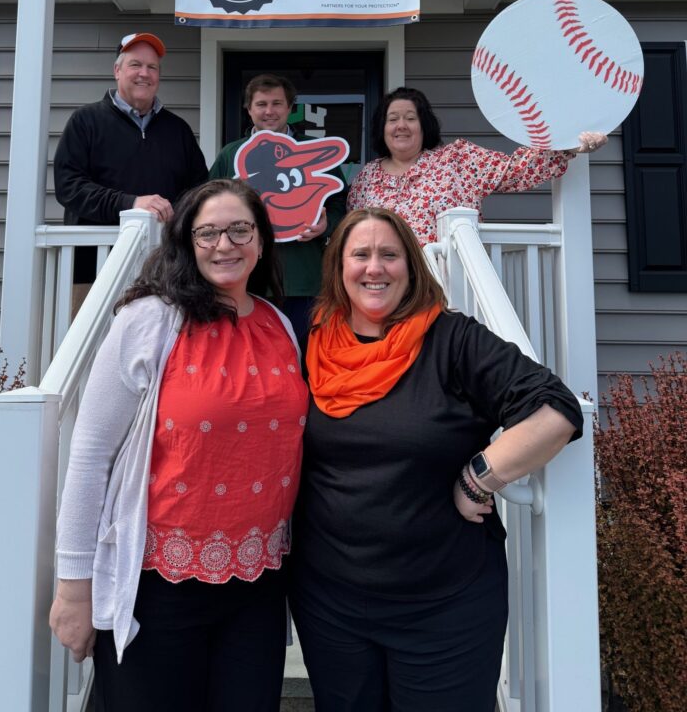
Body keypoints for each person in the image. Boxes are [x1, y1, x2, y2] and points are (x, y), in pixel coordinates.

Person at [289, 207, 583, 712]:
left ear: (412, 265)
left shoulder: (453, 339)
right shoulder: (308, 337)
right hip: (330, 604)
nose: (374, 268)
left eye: (390, 254)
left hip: (445, 605)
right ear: (338, 267)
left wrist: (479, 478)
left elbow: (555, 410)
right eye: (360, 254)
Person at [49, 179, 308, 712]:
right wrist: (74, 586)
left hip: (258, 583)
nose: (225, 244)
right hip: (157, 585)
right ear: (188, 243)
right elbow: (91, 454)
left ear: (261, 242)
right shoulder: (149, 321)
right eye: (208, 232)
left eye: (240, 230)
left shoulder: (279, 324)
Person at [347, 86, 607, 244]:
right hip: (382, 292)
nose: (401, 125)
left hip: (445, 292)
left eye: (410, 118)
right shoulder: (366, 179)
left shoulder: (456, 160)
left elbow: (515, 170)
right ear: (382, 128)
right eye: (393, 119)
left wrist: (569, 144)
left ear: (424, 125)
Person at [53, 31, 208, 293]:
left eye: (152, 67)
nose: (144, 74)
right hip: (94, 273)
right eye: (135, 65)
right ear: (117, 70)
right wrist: (131, 204)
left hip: (165, 272)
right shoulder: (85, 121)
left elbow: (199, 191)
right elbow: (69, 187)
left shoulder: (178, 130)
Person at [209, 73, 345, 346]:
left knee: (306, 355)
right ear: (249, 110)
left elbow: (341, 205)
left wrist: (325, 226)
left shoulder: (312, 148)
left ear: (290, 108)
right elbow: (208, 208)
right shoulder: (230, 155)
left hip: (303, 276)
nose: (269, 111)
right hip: (248, 278)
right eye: (261, 104)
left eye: (277, 103)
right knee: (252, 356)